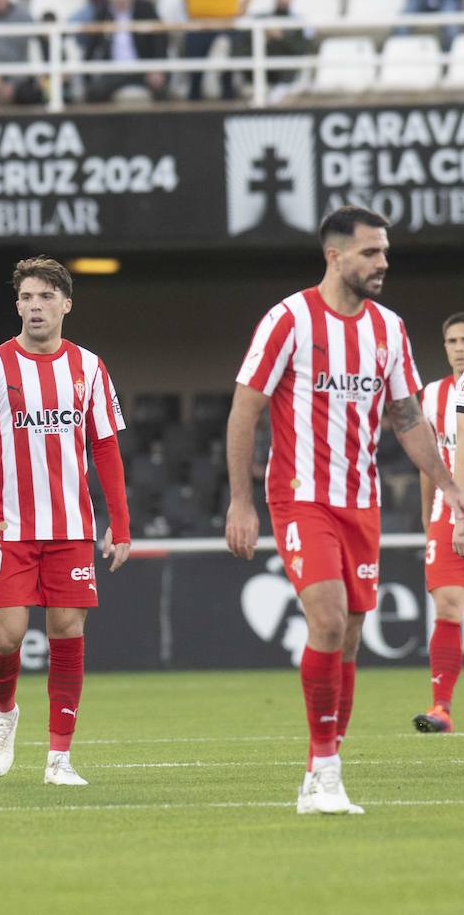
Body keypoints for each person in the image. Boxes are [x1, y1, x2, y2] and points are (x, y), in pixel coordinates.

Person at [226, 206, 464, 815]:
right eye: (371, 253)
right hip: (302, 497)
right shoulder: (289, 319)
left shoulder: (389, 328)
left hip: (363, 503)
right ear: (335, 255)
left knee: (350, 637)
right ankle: (328, 774)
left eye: (385, 252)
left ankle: (317, 769)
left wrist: (449, 486)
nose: (383, 263)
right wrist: (240, 503)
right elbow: (245, 409)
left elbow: (408, 420)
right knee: (328, 621)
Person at [0, 257, 131, 787]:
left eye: (46, 297)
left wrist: (119, 523)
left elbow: (105, 447)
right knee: (7, 636)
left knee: (67, 631)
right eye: (27, 297)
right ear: (17, 305)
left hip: (71, 528)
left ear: (66, 304)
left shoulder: (90, 368)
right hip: (8, 527)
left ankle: (59, 759)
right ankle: (4, 710)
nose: (36, 306)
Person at [414, 312, 464, 733]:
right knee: (447, 606)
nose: (460, 347)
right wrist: (427, 516)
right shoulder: (431, 396)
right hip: (448, 515)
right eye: (452, 341)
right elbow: (428, 463)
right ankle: (441, 708)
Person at [80, 0, 169, 103]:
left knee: (161, 93)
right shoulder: (103, 13)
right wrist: (87, 78)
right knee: (94, 93)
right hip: (113, 72)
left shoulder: (145, 9)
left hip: (142, 69)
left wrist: (157, 69)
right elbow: (90, 47)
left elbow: (160, 41)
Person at [182, 0, 247, 101]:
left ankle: (227, 104)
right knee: (195, 75)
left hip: (226, 25)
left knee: (227, 77)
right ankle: (194, 106)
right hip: (198, 25)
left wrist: (240, 10)